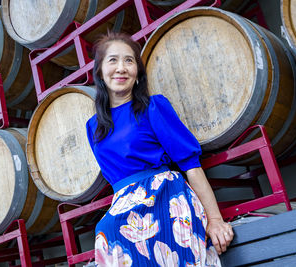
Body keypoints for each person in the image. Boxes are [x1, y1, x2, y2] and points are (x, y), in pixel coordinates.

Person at [86, 32, 233, 267]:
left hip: (164, 196)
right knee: (104, 230)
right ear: (101, 73)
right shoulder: (94, 127)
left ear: (137, 74)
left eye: (129, 60)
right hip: (124, 208)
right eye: (112, 60)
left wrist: (215, 219)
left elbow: (191, 165)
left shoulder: (153, 107)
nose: (121, 68)